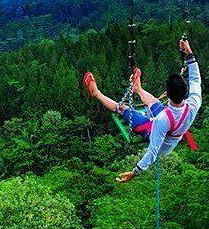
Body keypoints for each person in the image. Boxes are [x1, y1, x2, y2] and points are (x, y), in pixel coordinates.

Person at [83, 39, 202, 183]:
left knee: (122, 108)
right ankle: (138, 88)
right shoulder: (194, 103)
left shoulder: (162, 119)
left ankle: (96, 93)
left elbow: (153, 151)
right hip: (174, 123)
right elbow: (196, 78)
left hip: (160, 138)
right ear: (185, 92)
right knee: (153, 102)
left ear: (168, 94)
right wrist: (189, 53)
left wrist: (135, 172)